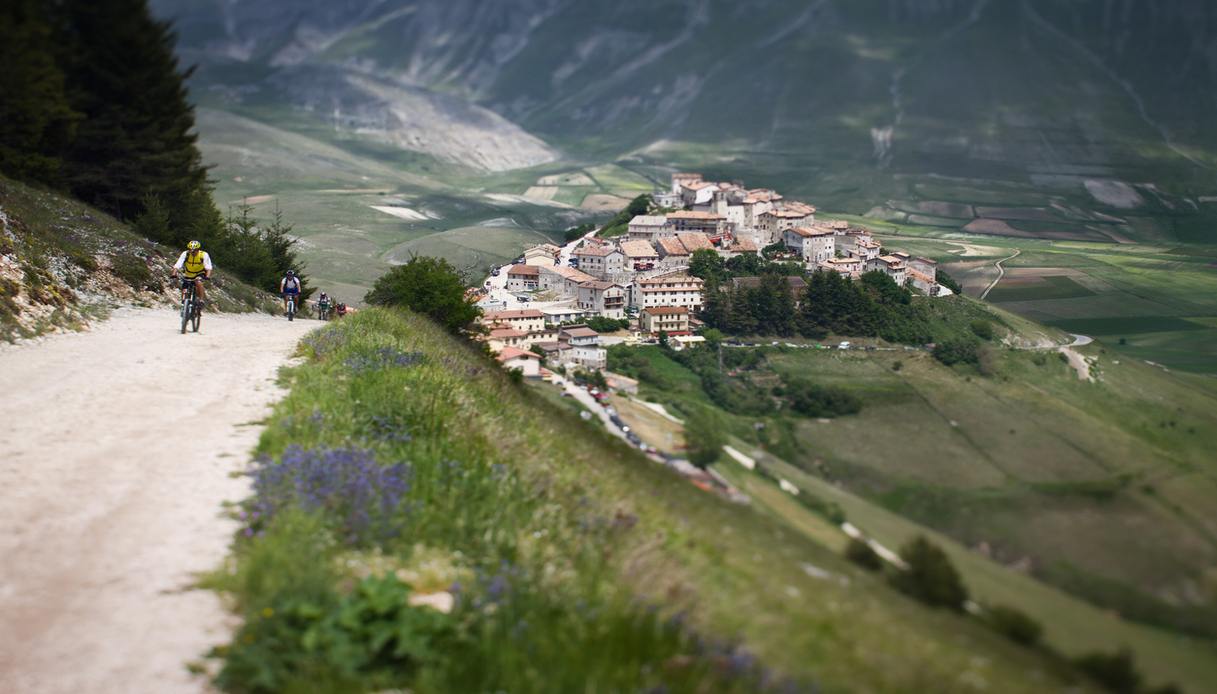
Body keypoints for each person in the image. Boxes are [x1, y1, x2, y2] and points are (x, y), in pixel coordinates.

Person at [170, 240, 212, 305]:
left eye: (194, 250)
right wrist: (174, 273)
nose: (192, 252)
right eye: (190, 250)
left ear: (198, 249)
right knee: (185, 286)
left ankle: (201, 300)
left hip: (200, 272)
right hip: (188, 273)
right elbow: (178, 264)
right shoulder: (185, 254)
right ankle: (183, 302)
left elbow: (208, 267)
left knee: (198, 281)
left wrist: (207, 276)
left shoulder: (203, 255)